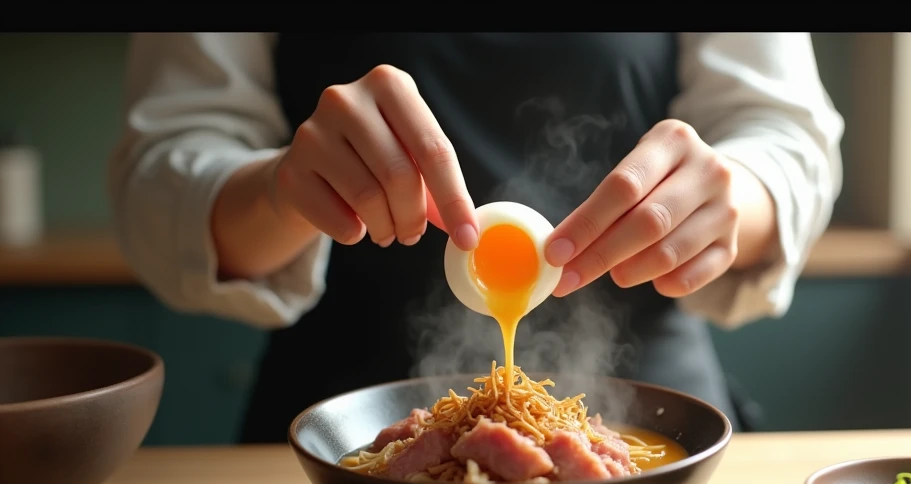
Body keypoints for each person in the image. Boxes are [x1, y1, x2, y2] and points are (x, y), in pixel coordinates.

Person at [107, 33, 844, 443]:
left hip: (653, 424)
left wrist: (732, 196)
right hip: (339, 431)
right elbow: (161, 166)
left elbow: (785, 134)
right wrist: (282, 189)